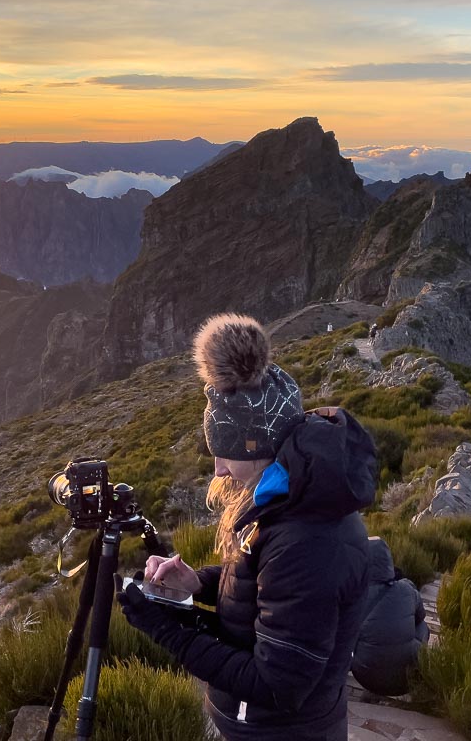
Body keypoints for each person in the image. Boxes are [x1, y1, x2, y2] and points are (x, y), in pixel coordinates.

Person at [115, 313, 377, 741]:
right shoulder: (287, 496)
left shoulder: (307, 540)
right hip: (257, 723)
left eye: (226, 452)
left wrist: (164, 628)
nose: (218, 466)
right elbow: (266, 583)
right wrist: (198, 584)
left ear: (261, 446)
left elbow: (277, 685)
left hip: (278, 732)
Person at [350, 537, 430, 697]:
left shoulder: (353, 594)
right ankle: (412, 661)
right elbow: (421, 615)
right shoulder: (406, 589)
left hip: (365, 677)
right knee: (423, 626)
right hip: (407, 680)